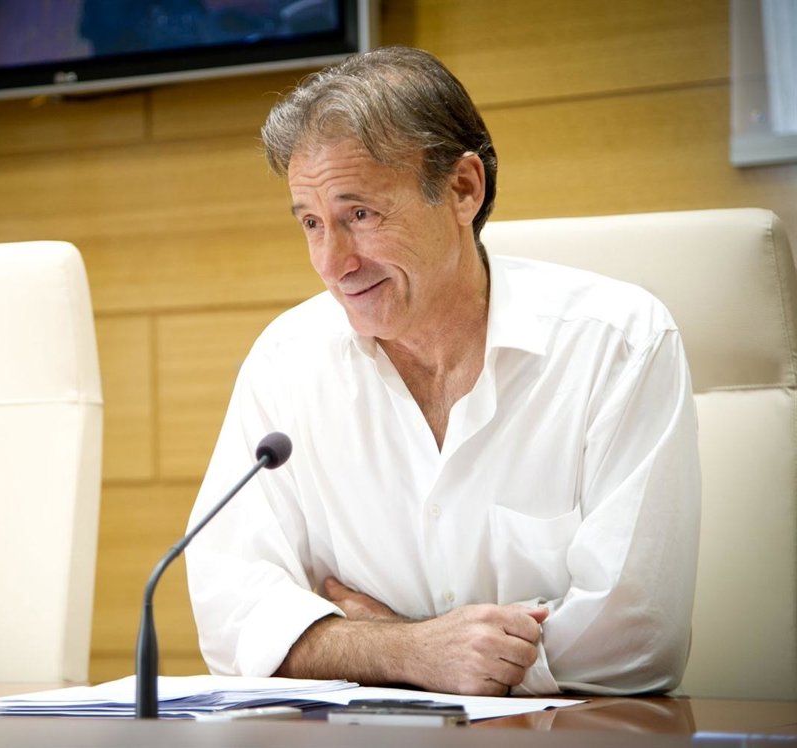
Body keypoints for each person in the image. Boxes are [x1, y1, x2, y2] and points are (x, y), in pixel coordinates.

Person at [184, 46, 701, 696]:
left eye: (360, 215)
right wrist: (414, 651)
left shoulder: (616, 344)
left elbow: (635, 643)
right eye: (313, 223)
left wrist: (389, 644)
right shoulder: (286, 361)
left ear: (463, 190)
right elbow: (233, 618)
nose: (333, 263)